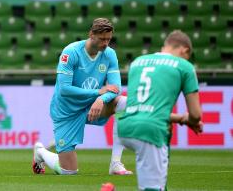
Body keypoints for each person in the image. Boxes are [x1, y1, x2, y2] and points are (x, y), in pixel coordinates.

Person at [33, 18, 132, 176]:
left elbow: (115, 88)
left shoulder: (110, 54)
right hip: (67, 110)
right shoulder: (71, 52)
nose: (106, 43)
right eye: (102, 39)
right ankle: (41, 152)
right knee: (68, 171)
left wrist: (100, 99)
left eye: (109, 39)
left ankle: (116, 163)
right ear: (91, 34)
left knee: (123, 103)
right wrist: (97, 93)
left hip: (93, 106)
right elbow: (64, 89)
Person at [118, 30, 203, 191]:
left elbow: (146, 108)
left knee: (155, 186)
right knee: (153, 188)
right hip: (151, 131)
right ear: (185, 50)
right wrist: (191, 121)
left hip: (125, 127)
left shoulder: (138, 62)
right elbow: (196, 114)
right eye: (187, 55)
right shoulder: (185, 67)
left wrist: (181, 119)